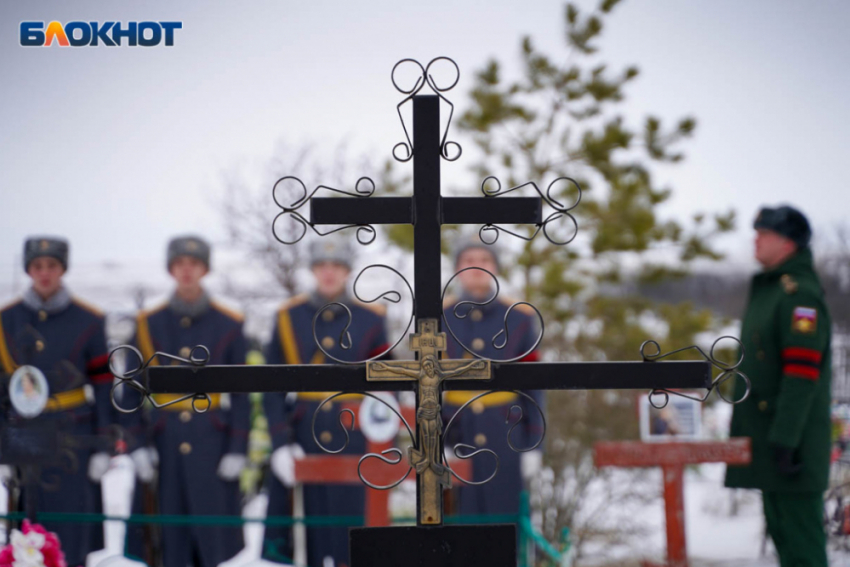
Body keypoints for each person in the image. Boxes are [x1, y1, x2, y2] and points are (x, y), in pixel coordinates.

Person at [123, 235, 250, 567]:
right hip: (163, 441)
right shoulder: (147, 323)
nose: (187, 271)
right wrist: (136, 445)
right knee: (167, 542)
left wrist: (237, 448)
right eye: (180, 264)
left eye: (194, 264)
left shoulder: (229, 323)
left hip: (212, 441)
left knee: (211, 542)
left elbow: (241, 394)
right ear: (171, 269)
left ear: (204, 269)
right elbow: (131, 390)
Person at [262, 238, 389, 567]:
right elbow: (271, 386)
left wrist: (382, 437)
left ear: (347, 272)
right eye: (322, 266)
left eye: (337, 267)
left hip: (356, 432)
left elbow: (387, 383)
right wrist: (280, 443)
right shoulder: (288, 317)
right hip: (305, 431)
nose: (329, 273)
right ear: (314, 270)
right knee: (310, 530)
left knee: (355, 527)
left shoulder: (371, 318)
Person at [725, 206, 832, 567]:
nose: (755, 238)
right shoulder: (772, 289)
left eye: (764, 233)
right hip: (771, 439)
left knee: (802, 548)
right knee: (786, 543)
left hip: (792, 446)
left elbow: (801, 375)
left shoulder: (798, 296)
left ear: (788, 242)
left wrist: (786, 439)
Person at [0, 236, 114, 565]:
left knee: (72, 528)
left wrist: (104, 444)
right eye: (37, 266)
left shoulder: (89, 320)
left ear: (62, 268)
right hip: (25, 434)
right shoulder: (7, 319)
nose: (45, 273)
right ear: (28, 270)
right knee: (26, 531)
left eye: (52, 266)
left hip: (73, 434)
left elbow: (104, 385)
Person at [442, 234, 544, 520]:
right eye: (469, 260)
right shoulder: (440, 316)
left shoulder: (519, 317)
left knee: (506, 522)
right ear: (456, 267)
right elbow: (428, 385)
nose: (477, 267)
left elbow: (532, 385)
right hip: (456, 434)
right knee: (459, 524)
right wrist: (434, 442)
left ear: (496, 267)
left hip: (507, 434)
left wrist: (535, 445)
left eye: (485, 260)